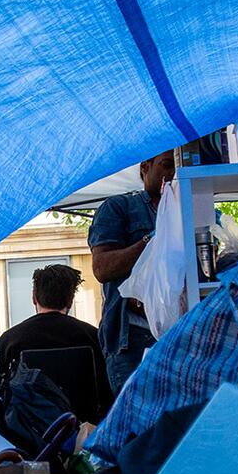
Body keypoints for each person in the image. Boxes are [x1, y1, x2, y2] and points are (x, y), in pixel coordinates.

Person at [88, 150, 176, 395]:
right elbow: (102, 268)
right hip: (134, 338)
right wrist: (153, 239)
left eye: (178, 167)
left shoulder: (189, 207)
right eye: (167, 165)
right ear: (144, 168)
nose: (172, 175)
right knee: (139, 426)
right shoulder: (119, 207)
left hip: (180, 336)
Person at [0, 264, 109, 421]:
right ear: (70, 301)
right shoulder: (93, 337)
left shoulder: (10, 339)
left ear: (34, 298)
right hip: (84, 429)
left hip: (28, 432)